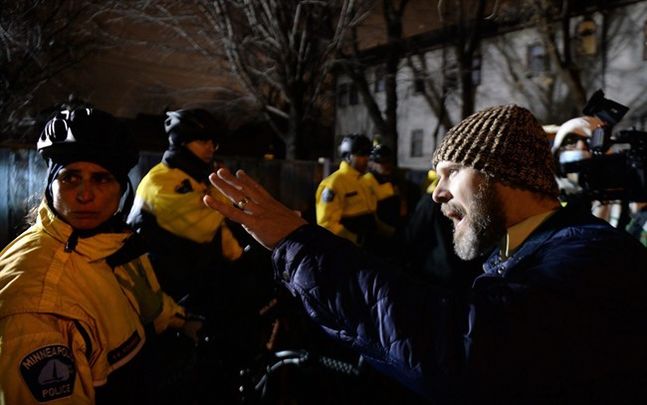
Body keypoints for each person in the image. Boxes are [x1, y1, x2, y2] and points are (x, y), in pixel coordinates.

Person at [204, 104, 647, 404]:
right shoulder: (524, 253)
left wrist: (298, 242)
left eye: (452, 172)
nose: (436, 193)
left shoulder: (592, 256)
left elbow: (462, 347)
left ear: (502, 174)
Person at [0, 107, 200, 404]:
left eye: (102, 178)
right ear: (50, 186)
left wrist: (185, 321)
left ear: (122, 190)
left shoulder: (112, 243)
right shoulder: (37, 303)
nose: (85, 194)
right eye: (70, 178)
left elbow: (149, 302)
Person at [127, 108, 244, 304]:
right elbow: (203, 226)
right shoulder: (160, 180)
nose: (210, 148)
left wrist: (239, 257)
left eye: (213, 142)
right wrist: (227, 192)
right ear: (180, 141)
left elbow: (220, 228)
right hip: (162, 292)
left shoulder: (195, 177)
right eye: (201, 140)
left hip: (196, 280)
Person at [315, 134, 393, 247]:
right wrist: (354, 239)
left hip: (370, 243)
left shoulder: (364, 180)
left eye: (367, 154)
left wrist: (387, 231)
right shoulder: (334, 183)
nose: (366, 159)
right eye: (361, 154)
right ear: (348, 156)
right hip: (350, 247)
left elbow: (370, 211)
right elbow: (326, 224)